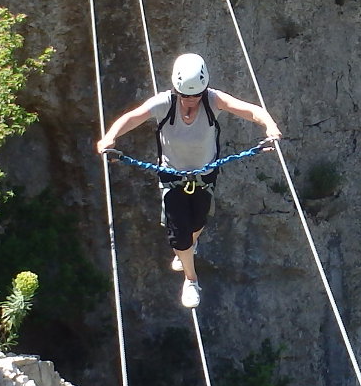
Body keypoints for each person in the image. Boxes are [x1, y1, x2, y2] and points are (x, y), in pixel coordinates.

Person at [96, 52, 281, 308]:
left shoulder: (213, 99)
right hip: (172, 177)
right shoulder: (163, 103)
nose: (192, 100)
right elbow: (132, 117)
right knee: (179, 235)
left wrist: (269, 125)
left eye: (197, 95)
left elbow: (250, 110)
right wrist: (109, 138)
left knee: (197, 224)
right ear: (176, 89)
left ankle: (188, 250)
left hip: (205, 176)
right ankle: (191, 280)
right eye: (186, 95)